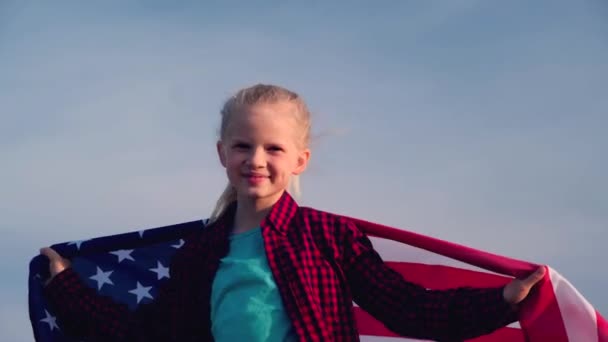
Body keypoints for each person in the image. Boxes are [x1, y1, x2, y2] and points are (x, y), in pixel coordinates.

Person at [40, 83, 545, 341]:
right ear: (222, 153)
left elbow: (408, 307)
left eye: (273, 149)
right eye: (242, 145)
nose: (256, 160)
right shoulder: (200, 253)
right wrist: (63, 286)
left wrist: (501, 300)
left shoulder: (329, 237)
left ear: (301, 159)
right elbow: (146, 335)